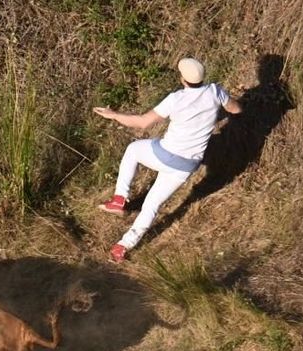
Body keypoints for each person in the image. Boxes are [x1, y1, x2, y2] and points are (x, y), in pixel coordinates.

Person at [93, 57, 242, 262]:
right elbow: (236, 109)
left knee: (133, 150)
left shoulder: (176, 99)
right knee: (152, 205)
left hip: (165, 154)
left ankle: (119, 199)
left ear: (183, 79)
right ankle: (122, 247)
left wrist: (114, 115)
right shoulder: (215, 91)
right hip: (186, 167)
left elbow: (143, 123)